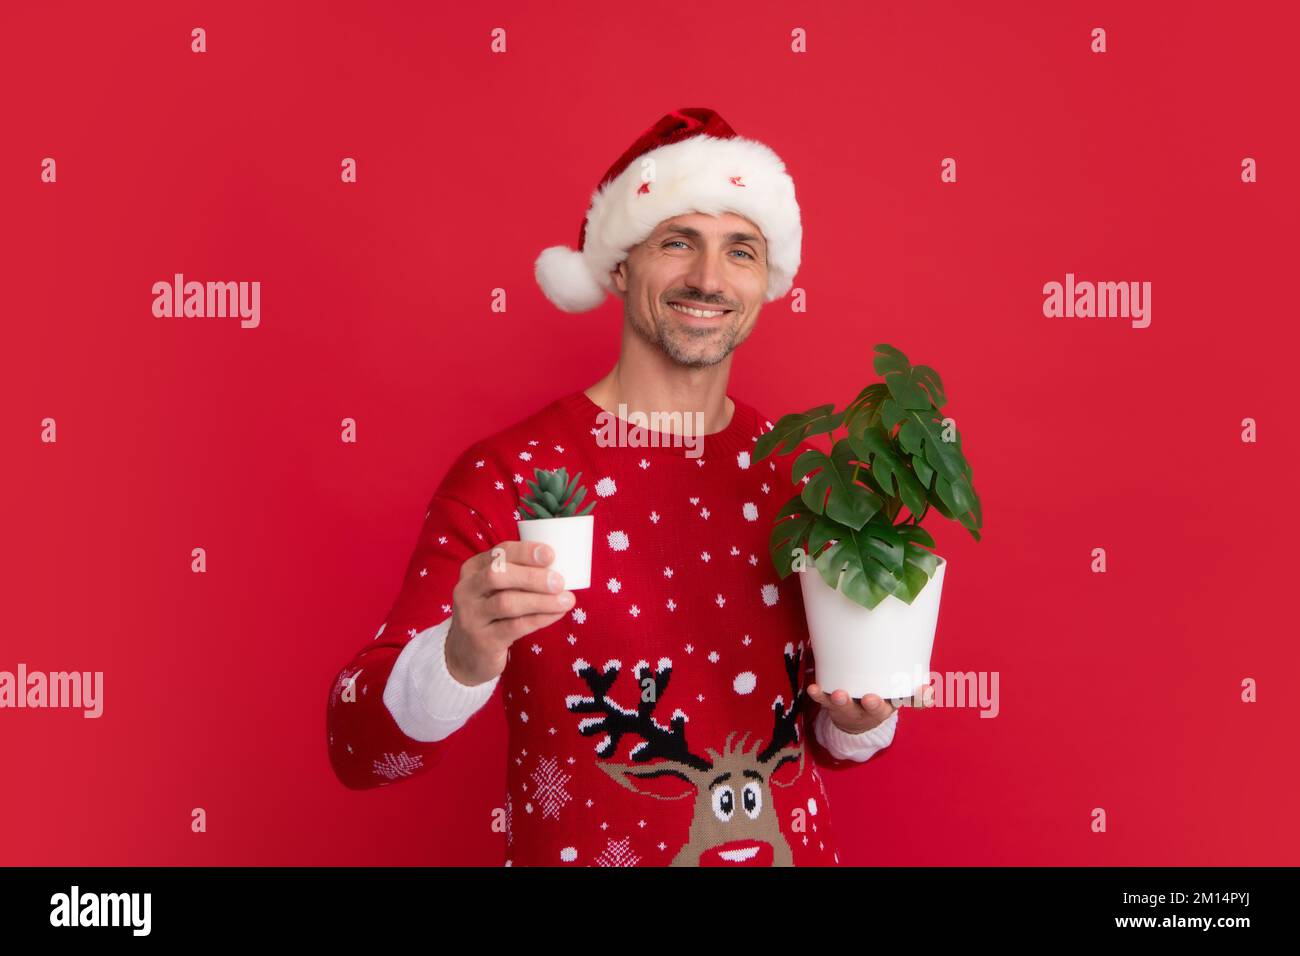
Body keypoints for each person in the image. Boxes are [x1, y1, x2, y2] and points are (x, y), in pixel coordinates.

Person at [326, 107, 931, 867]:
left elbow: (832, 744)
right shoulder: (512, 475)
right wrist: (459, 657)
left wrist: (863, 711)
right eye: (677, 242)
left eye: (739, 251)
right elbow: (360, 750)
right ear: (619, 266)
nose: (708, 279)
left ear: (765, 280)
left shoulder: (802, 475)